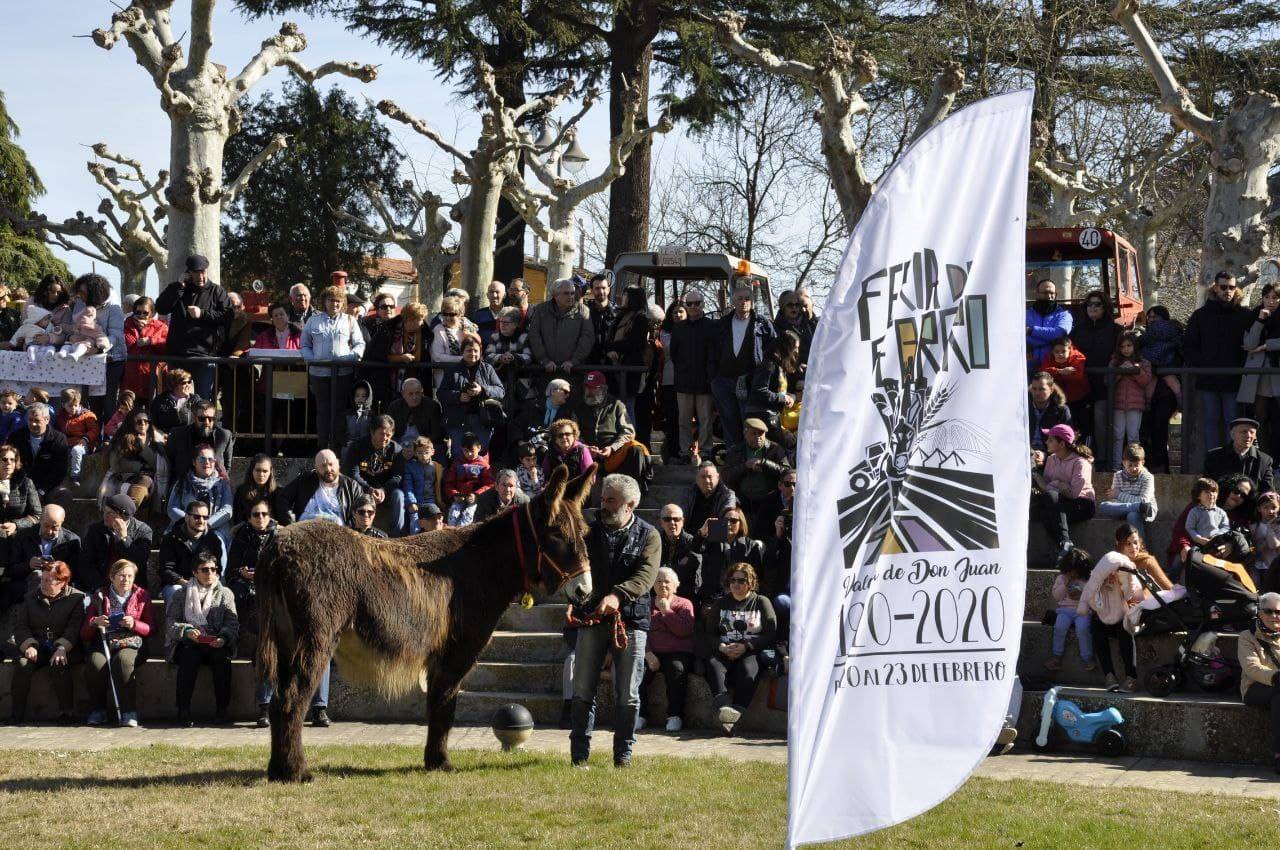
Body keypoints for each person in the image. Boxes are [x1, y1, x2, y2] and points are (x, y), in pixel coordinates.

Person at [569, 473, 660, 768]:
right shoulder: (588, 532)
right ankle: (579, 756)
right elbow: (576, 570)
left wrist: (618, 597)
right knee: (582, 687)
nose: (603, 505)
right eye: (603, 498)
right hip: (592, 618)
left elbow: (646, 577)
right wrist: (573, 602)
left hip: (631, 622)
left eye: (611, 500)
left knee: (628, 694)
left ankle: (623, 756)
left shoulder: (650, 535)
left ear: (630, 504)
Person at [696, 562, 777, 734]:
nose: (736, 584)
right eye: (733, 580)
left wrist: (747, 646)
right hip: (724, 649)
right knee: (712, 665)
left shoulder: (761, 602)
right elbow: (709, 634)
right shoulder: (720, 603)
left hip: (750, 650)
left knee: (748, 671)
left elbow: (771, 633)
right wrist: (722, 647)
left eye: (741, 581)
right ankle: (725, 709)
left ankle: (735, 715)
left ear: (750, 582)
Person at [165, 549, 239, 726]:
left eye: (213, 569)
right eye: (205, 569)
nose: (210, 573)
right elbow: (170, 623)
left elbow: (232, 623)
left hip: (216, 642)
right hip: (190, 642)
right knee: (189, 657)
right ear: (194, 572)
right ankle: (183, 711)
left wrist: (223, 638)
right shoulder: (181, 594)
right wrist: (187, 631)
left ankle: (222, 711)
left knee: (221, 659)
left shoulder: (225, 593)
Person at [7, 561, 83, 724]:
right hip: (38, 645)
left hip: (65, 647)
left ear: (62, 582)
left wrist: (63, 647)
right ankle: (16, 714)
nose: (44, 584)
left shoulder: (76, 598)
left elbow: (74, 628)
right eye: (43, 579)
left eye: (50, 580)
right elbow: (21, 626)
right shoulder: (30, 598)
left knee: (59, 663)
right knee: (22, 664)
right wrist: (28, 645)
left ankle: (66, 713)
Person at [1184, 271, 1251, 457]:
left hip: (1234, 379)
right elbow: (1188, 345)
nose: (1227, 291)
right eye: (1223, 287)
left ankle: (1234, 461)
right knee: (1211, 422)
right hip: (1209, 378)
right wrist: (1202, 364)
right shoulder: (1201, 316)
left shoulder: (1245, 314)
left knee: (1233, 422)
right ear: (1215, 287)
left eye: (1231, 287)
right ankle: (1214, 461)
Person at [82, 558, 152, 727]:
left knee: (123, 661)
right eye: (121, 576)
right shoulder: (99, 596)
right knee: (95, 663)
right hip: (105, 642)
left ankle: (129, 711)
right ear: (112, 577)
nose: (125, 580)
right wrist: (95, 622)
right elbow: (84, 632)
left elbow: (151, 628)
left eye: (129, 576)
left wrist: (134, 624)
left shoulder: (142, 595)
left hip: (131, 642)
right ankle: (98, 710)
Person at [155, 254, 233, 399]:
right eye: (196, 273)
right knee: (176, 398)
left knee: (202, 399)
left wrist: (203, 314)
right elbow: (161, 308)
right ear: (188, 273)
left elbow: (227, 316)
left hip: (204, 356)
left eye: (203, 272)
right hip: (178, 355)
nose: (201, 276)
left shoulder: (217, 292)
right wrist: (178, 286)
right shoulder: (178, 288)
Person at [710, 285, 776, 450]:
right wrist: (713, 379)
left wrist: (765, 379)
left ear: (752, 301)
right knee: (729, 421)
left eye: (747, 298)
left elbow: (773, 351)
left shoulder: (762, 324)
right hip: (723, 381)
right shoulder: (722, 324)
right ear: (732, 301)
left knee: (750, 423)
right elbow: (711, 352)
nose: (744, 302)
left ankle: (751, 458)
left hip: (750, 382)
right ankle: (734, 458)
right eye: (739, 298)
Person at [301, 285, 366, 451]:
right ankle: (322, 449)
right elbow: (304, 345)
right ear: (324, 301)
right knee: (323, 412)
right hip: (319, 374)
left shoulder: (350, 320)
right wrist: (312, 359)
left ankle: (338, 449)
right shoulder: (313, 321)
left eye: (338, 301)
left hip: (343, 373)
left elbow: (359, 344)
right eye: (331, 300)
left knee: (339, 412)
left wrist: (351, 357)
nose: (335, 304)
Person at [1078, 531, 1143, 692]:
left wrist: (1126, 584)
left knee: (1124, 626)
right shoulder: (1110, 562)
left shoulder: (1144, 561)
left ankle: (1131, 677)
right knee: (1096, 625)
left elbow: (1141, 597)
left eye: (1135, 542)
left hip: (1133, 614)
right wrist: (1107, 583)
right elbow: (1094, 586)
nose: (1133, 547)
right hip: (1109, 612)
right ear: (1118, 544)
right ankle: (1109, 675)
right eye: (1128, 543)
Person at [640, 567, 696, 732]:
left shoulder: (684, 604)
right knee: (638, 670)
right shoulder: (646, 605)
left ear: (675, 586)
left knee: (676, 669)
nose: (662, 584)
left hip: (677, 653)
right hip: (651, 652)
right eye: (658, 581)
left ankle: (675, 715)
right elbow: (639, 631)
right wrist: (648, 653)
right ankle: (640, 715)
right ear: (652, 585)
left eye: (667, 581)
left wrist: (666, 611)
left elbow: (684, 630)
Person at [1030, 424, 1096, 556]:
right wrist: (1043, 480)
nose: (1046, 442)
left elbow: (1073, 493)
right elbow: (1047, 487)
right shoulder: (1051, 459)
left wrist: (1054, 484)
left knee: (1049, 503)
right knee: (1038, 510)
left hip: (1081, 503)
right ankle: (1066, 546)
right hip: (1058, 500)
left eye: (1050, 440)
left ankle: (1065, 543)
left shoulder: (1080, 463)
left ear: (1062, 444)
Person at [573, 370, 649, 483]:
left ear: (603, 389)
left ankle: (633, 492)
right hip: (586, 453)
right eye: (587, 387)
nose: (590, 391)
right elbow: (573, 434)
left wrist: (612, 448)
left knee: (636, 450)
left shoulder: (616, 405)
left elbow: (628, 432)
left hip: (613, 453)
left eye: (594, 388)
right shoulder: (578, 406)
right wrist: (585, 448)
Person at [1071, 292, 1122, 452]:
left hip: (1104, 385)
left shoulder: (1116, 330)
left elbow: (1124, 355)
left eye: (1097, 304)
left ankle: (1102, 460)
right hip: (1080, 385)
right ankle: (1080, 457)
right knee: (1081, 424)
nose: (1092, 307)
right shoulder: (1077, 330)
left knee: (1101, 421)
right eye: (1089, 304)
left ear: (1105, 307)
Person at [439, 333, 505, 457]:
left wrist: (483, 390)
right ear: (462, 352)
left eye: (476, 350)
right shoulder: (452, 370)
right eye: (469, 350)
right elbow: (441, 393)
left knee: (481, 454)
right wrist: (458, 396)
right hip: (458, 420)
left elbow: (500, 391)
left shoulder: (488, 369)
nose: (473, 353)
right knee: (459, 455)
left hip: (482, 420)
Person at [668, 290, 715, 464]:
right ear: (686, 306)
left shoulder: (712, 326)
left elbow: (714, 354)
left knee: (706, 420)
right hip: (684, 382)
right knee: (684, 421)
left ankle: (706, 451)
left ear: (702, 304)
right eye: (690, 304)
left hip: (705, 382)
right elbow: (674, 354)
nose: (693, 307)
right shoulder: (678, 328)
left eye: (697, 303)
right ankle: (685, 452)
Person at [341, 414, 406, 537]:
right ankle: (350, 532)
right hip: (362, 489)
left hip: (385, 491)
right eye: (382, 434)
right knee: (349, 489)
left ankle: (397, 536)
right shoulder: (357, 447)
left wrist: (383, 490)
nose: (385, 438)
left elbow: (397, 476)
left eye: (388, 435)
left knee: (399, 495)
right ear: (372, 432)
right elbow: (352, 473)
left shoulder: (396, 450)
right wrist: (369, 489)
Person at [1239, 590, 1280, 773]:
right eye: (1269, 611)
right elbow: (1252, 669)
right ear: (1260, 613)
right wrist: (1276, 677)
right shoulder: (1247, 636)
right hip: (1255, 688)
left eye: (1279, 612)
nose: (1274, 616)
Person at [79, 494, 151, 597]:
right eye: (104, 511)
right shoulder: (95, 530)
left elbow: (139, 561)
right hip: (100, 584)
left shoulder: (143, 531)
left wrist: (124, 539)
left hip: (130, 585)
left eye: (110, 513)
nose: (105, 516)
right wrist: (98, 586)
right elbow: (86, 563)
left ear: (123, 516)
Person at [1238, 283, 1280, 458]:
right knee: (1259, 418)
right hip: (1260, 376)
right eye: (1267, 297)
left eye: (1275, 298)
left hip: (1276, 373)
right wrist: (1260, 321)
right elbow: (1248, 344)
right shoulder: (1255, 315)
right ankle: (1264, 458)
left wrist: (1266, 345)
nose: (1271, 301)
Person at [1139, 305, 1183, 472]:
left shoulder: (1149, 336)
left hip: (1164, 392)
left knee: (1158, 428)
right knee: (1153, 429)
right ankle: (1158, 465)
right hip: (1160, 388)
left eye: (1154, 317)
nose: (1151, 320)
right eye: (1149, 317)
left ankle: (1160, 465)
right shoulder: (1175, 334)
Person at [157, 500, 226, 604]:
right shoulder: (171, 538)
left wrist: (204, 584)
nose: (201, 521)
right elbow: (165, 570)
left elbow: (218, 569)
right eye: (197, 517)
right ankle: (175, 621)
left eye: (205, 517)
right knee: (175, 593)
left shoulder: (214, 540)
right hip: (178, 583)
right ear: (187, 517)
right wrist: (184, 583)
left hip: (205, 583)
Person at [9, 504, 80, 604]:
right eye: (46, 526)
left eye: (55, 527)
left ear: (62, 523)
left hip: (57, 587)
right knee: (37, 576)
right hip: (25, 588)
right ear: (40, 519)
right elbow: (11, 570)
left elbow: (76, 575)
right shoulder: (23, 536)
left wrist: (58, 570)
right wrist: (28, 565)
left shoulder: (72, 541)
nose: (50, 531)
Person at [226, 497, 276, 639]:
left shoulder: (278, 536)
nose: (260, 517)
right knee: (236, 593)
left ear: (269, 516)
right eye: (256, 514)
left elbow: (283, 567)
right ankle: (235, 634)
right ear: (249, 518)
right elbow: (231, 569)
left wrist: (263, 574)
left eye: (264, 514)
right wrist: (242, 572)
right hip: (245, 581)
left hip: (270, 580)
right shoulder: (241, 537)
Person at [167, 446, 234, 552]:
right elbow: (172, 508)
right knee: (170, 537)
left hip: (215, 526)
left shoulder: (223, 483)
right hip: (186, 525)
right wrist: (191, 522)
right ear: (194, 462)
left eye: (210, 459)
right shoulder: (182, 482)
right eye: (202, 459)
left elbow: (227, 510)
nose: (207, 462)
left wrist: (205, 524)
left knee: (219, 541)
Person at [721, 419, 791, 518]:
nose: (758, 437)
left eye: (761, 433)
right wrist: (745, 466)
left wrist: (765, 463)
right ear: (745, 434)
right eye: (754, 433)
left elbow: (787, 473)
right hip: (743, 501)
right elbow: (725, 476)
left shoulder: (775, 449)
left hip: (770, 502)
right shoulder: (736, 450)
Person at [603, 286, 653, 423]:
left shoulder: (641, 319)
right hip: (614, 369)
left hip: (630, 371)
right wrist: (609, 350)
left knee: (627, 410)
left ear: (633, 298)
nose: (622, 297)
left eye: (625, 295)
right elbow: (608, 340)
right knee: (613, 410)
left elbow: (635, 344)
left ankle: (630, 442)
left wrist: (613, 348)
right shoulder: (619, 316)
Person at [692, 505, 766, 596]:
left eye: (733, 521)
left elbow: (757, 576)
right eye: (725, 520)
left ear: (741, 524)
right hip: (713, 595)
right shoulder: (712, 541)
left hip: (741, 595)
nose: (728, 524)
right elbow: (694, 550)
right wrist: (701, 532)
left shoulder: (751, 546)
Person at [746, 331, 801, 452]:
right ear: (786, 348)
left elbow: (780, 391)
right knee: (791, 442)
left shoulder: (780, 365)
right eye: (795, 348)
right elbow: (759, 389)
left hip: (772, 414)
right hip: (762, 415)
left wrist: (789, 397)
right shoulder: (769, 364)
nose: (796, 351)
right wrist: (782, 398)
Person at [526, 279, 593, 379]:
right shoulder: (541, 310)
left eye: (572, 293)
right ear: (555, 295)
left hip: (573, 372)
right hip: (546, 371)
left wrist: (573, 361)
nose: (570, 297)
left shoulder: (583, 311)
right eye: (566, 293)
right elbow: (534, 335)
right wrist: (544, 360)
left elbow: (587, 338)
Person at [278, 449, 364, 526]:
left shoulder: (352, 486)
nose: (328, 469)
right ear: (316, 468)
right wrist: (290, 523)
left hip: (338, 536)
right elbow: (283, 498)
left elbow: (363, 510)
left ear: (338, 463)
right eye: (323, 466)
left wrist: (349, 531)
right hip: (304, 533)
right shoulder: (304, 480)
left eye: (331, 464)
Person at [9, 404, 70, 508]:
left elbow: (59, 471)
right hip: (20, 486)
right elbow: (10, 464)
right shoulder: (16, 437)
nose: (33, 424)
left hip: (46, 488)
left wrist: (41, 491)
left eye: (37, 420)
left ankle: (53, 522)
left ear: (47, 419)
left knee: (64, 494)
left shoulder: (59, 439)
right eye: (30, 420)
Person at [0, 443, 40, 600]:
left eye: (12, 459)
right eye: (4, 459)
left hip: (19, 537)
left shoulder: (26, 483)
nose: (8, 463)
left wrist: (16, 524)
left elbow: (37, 515)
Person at [1045, 548, 1095, 672]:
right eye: (1070, 571)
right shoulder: (1062, 578)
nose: (1072, 575)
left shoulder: (1088, 579)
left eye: (1075, 572)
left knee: (1082, 628)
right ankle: (1057, 656)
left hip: (1083, 610)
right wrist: (1065, 585)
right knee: (1060, 627)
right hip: (1065, 610)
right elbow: (1057, 596)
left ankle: (1087, 657)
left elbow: (1094, 596)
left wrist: (1082, 594)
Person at [1096, 443, 1157, 543]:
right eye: (1130, 465)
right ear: (1124, 463)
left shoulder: (1148, 477)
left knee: (1132, 515)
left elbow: (1144, 501)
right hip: (1124, 509)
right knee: (1103, 506)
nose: (1133, 468)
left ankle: (1141, 551)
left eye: (1137, 465)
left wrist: (1119, 494)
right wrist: (1133, 504)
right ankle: (1135, 507)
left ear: (1143, 462)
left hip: (1145, 512)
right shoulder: (1118, 475)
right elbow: (1113, 499)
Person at [1109, 332, 1153, 469]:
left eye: (1129, 345)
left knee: (1133, 436)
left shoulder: (1144, 362)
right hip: (1118, 404)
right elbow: (1108, 381)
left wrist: (1135, 371)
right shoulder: (1114, 362)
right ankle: (1116, 465)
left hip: (1136, 405)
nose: (1126, 349)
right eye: (1122, 347)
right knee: (1117, 435)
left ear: (1135, 346)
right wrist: (1121, 371)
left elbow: (1146, 381)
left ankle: (1134, 465)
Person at [166, 399, 234, 485]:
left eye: (210, 418)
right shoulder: (178, 434)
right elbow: (169, 461)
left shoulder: (224, 435)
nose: (206, 422)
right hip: (184, 485)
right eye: (202, 418)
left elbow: (227, 466)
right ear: (194, 418)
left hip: (214, 485)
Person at [104, 408, 160, 511]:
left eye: (146, 421)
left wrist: (142, 446)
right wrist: (142, 467)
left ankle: (125, 511)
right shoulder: (122, 439)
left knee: (145, 481)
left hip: (145, 482)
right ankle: (123, 511)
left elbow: (156, 463)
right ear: (131, 423)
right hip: (122, 477)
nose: (142, 424)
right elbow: (115, 465)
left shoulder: (155, 439)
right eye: (138, 421)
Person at [1206, 417, 1276, 493]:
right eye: (1244, 432)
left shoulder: (1265, 460)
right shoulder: (1214, 457)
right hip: (1222, 503)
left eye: (1252, 432)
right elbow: (1206, 486)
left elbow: (1268, 491)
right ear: (1232, 435)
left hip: (1251, 503)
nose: (1248, 435)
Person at [1040, 337, 1091, 442]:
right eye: (1057, 352)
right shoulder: (1049, 358)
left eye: (1063, 351)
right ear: (1052, 352)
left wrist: (1055, 374)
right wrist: (1060, 371)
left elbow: (1077, 376)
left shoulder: (1078, 357)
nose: (1060, 354)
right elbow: (1043, 372)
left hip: (1079, 398)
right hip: (1060, 400)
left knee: (1082, 427)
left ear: (1069, 348)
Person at [485, 306, 533, 412]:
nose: (502, 325)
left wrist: (514, 357)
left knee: (519, 411)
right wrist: (500, 357)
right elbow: (488, 355)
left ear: (515, 324)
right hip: (499, 381)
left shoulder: (524, 337)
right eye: (501, 322)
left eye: (506, 323)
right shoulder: (495, 337)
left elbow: (528, 356)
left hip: (520, 383)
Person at [656, 504, 704, 611]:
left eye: (676, 519)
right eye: (667, 519)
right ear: (661, 523)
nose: (672, 523)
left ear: (682, 522)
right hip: (658, 597)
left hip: (685, 598)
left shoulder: (693, 543)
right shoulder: (654, 542)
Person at [121, 296, 167, 402]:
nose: (141, 315)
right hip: (131, 377)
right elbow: (132, 346)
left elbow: (167, 346)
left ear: (152, 313)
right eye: (138, 312)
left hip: (152, 377)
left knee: (150, 411)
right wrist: (143, 331)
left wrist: (151, 340)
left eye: (145, 313)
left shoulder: (161, 326)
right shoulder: (127, 325)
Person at [442, 434, 494, 527]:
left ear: (479, 448)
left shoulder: (484, 465)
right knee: (453, 516)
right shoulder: (456, 463)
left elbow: (490, 484)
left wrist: (476, 495)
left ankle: (461, 537)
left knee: (467, 517)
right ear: (462, 449)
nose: (469, 454)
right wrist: (454, 494)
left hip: (474, 500)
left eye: (472, 451)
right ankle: (450, 535)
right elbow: (449, 483)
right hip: (459, 499)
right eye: (466, 451)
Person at [1025, 278, 1073, 372]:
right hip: (1027, 369)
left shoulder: (1064, 315)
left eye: (1052, 293)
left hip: (1054, 369)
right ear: (1037, 294)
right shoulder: (1025, 314)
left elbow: (1059, 333)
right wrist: (1025, 344)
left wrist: (1031, 331)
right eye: (1046, 293)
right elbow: (1015, 335)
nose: (1050, 296)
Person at [384, 377, 444, 451]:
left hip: (424, 445)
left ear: (422, 392)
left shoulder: (432, 406)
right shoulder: (394, 406)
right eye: (410, 394)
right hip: (400, 444)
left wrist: (419, 446)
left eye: (417, 393)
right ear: (403, 394)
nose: (414, 397)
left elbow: (436, 434)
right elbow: (389, 431)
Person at [679, 461, 739, 534]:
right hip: (690, 537)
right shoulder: (688, 493)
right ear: (697, 479)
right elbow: (682, 518)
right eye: (703, 477)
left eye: (710, 477)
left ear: (718, 477)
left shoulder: (728, 495)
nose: (707, 481)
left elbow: (724, 523)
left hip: (716, 537)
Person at [402, 436, 444, 534]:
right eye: (420, 452)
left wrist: (440, 502)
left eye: (426, 452)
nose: (423, 456)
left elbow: (438, 486)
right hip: (417, 502)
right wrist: (411, 502)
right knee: (415, 523)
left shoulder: (437, 467)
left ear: (432, 452)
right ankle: (414, 541)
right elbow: (408, 487)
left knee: (436, 520)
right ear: (415, 453)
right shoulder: (410, 467)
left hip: (431, 501)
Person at [149, 368, 201, 437]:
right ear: (174, 385)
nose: (188, 385)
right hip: (166, 439)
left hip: (189, 439)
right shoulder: (159, 401)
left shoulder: (195, 400)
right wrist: (160, 435)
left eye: (189, 382)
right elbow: (152, 424)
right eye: (183, 383)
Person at [773, 290, 818, 368]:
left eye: (797, 304)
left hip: (813, 371)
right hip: (790, 374)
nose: (794, 307)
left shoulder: (809, 324)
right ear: (783, 307)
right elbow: (776, 357)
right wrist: (797, 367)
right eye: (790, 305)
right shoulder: (775, 328)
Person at [1028, 372, 1072, 451]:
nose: (1037, 393)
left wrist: (1045, 455)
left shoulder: (1061, 410)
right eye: (1034, 389)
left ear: (1051, 390)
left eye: (1042, 389)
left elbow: (1065, 441)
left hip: (1051, 454)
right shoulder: (1023, 407)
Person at [233, 453, 277, 525]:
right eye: (258, 470)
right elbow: (238, 519)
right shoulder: (241, 491)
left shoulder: (277, 492)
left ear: (270, 472)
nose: (261, 475)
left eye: (265, 471)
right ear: (252, 471)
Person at [586, 274, 619, 364]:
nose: (601, 291)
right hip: (588, 362)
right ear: (592, 290)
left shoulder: (617, 312)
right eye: (597, 288)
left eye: (604, 288)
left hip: (611, 364)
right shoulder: (584, 311)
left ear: (608, 289)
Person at [1253, 492, 1280, 588]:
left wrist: (1270, 527)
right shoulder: (1254, 526)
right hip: (1257, 566)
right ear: (1259, 509)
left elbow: (1274, 545)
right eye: (1266, 507)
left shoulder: (1278, 527)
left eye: (1274, 507)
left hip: (1273, 568)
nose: (1270, 511)